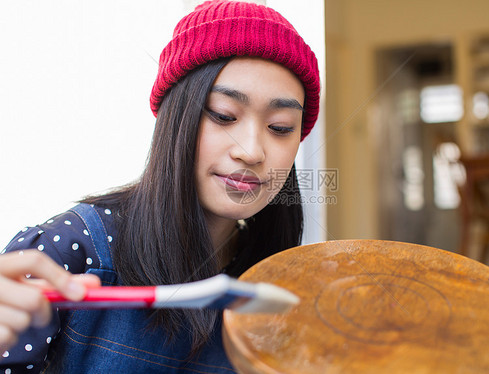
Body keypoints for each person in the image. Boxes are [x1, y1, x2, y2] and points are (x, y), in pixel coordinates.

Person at [0, 0, 320, 372]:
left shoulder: (274, 282)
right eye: (224, 116)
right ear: (175, 119)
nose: (251, 151)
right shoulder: (72, 253)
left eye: (280, 127)